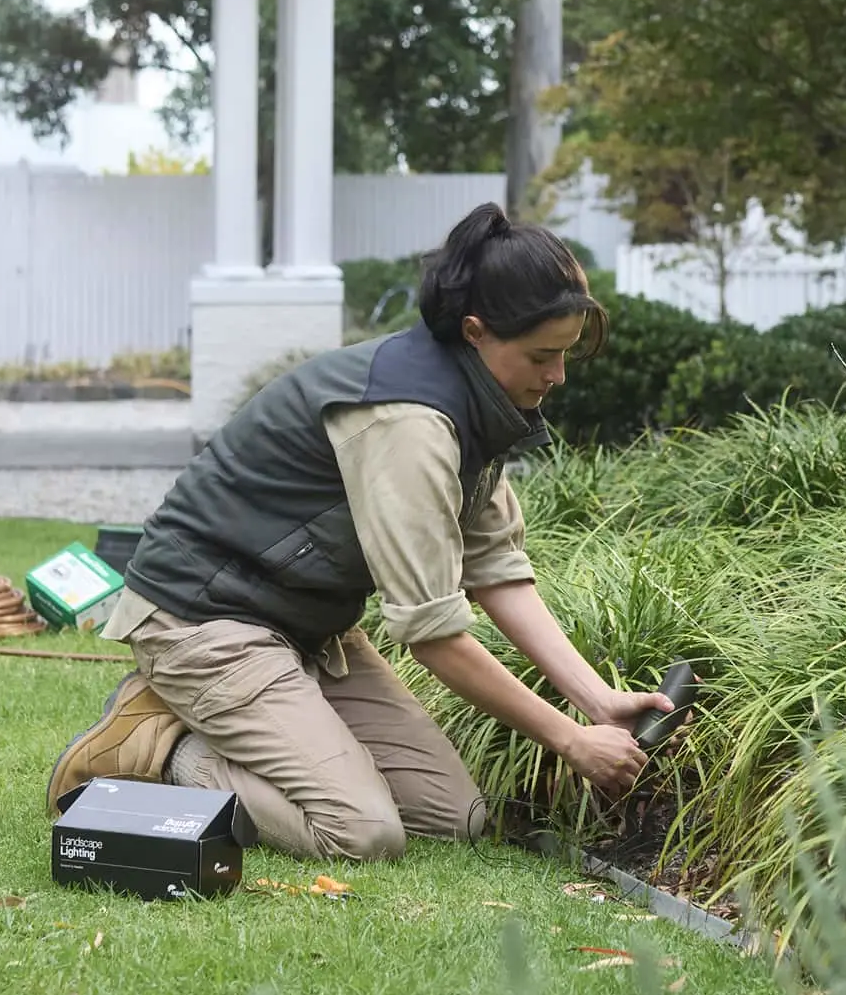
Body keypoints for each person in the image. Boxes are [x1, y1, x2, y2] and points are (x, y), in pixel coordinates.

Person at [46, 202, 680, 861]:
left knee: (452, 815)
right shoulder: (408, 424)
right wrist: (569, 741)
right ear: (475, 332)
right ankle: (171, 746)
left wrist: (598, 703)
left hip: (304, 629)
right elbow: (434, 635)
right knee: (361, 832)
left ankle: (250, 728)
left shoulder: (479, 403)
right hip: (203, 621)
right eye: (543, 356)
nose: (558, 376)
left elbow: (497, 572)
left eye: (566, 354)